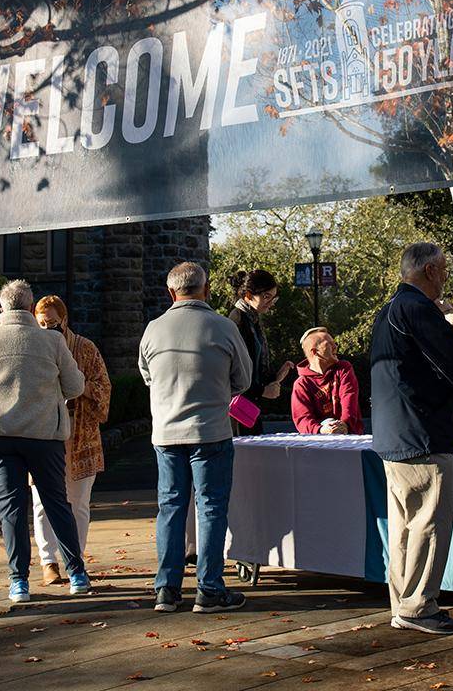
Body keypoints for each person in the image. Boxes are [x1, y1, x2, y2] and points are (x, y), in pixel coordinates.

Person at [368, 241, 453, 635]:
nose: (446, 276)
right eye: (444, 269)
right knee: (428, 525)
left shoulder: (390, 310)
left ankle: (404, 604)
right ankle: (419, 607)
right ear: (430, 271)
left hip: (395, 434)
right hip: (422, 434)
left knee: (403, 528)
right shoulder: (417, 309)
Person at [0, 279, 90, 603]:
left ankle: (18, 582)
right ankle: (77, 573)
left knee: (12, 510)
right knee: (56, 503)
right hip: (43, 435)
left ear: (2, 307)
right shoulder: (52, 340)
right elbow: (75, 387)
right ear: (30, 307)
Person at [139, 261, 253, 614]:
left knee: (170, 509)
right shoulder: (223, 326)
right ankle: (210, 589)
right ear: (206, 289)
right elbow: (244, 379)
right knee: (211, 509)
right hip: (210, 430)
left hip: (166, 432)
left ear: (171, 292)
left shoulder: (153, 329)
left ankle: (166, 589)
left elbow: (147, 376)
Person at [31, 294, 111, 586]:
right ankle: (48, 561)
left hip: (80, 433)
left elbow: (104, 387)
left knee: (78, 504)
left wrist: (80, 386)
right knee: (41, 501)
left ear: (64, 320)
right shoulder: (33, 348)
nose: (47, 328)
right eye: (41, 323)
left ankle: (75, 559)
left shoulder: (85, 348)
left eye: (52, 323)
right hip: (44, 432)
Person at [227, 269, 293, 434]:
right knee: (245, 448)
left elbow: (255, 366)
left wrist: (275, 377)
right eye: (266, 297)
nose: (271, 303)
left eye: (273, 298)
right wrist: (262, 391)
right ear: (249, 295)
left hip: (250, 403)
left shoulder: (253, 318)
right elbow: (234, 371)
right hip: (237, 406)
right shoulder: (237, 320)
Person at [290, 327, 364, 435]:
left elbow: (349, 398)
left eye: (334, 343)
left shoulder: (343, 369)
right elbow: (302, 419)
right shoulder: (301, 384)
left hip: (350, 435)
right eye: (329, 344)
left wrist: (344, 424)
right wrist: (321, 429)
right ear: (315, 352)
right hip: (319, 440)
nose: (335, 347)